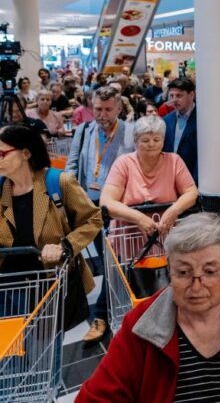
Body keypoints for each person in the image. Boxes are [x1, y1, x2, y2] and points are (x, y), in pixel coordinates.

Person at [76, 213, 220, 402]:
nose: (196, 286)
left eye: (209, 272)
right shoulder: (141, 324)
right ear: (169, 268)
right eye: (183, 272)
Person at [0, 124, 102, 331]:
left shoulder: (58, 182)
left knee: (45, 349)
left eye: (2, 153)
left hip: (49, 284)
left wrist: (65, 246)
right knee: (11, 353)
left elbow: (93, 219)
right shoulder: (1, 188)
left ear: (26, 153)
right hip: (7, 287)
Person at [65, 85, 136, 341]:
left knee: (113, 261)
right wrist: (71, 198)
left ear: (118, 108)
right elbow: (72, 165)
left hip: (120, 208)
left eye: (108, 109)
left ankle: (102, 315)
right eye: (97, 109)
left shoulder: (130, 132)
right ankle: (115, 310)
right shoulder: (84, 131)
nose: (102, 114)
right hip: (92, 208)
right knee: (110, 262)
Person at [99, 116, 198, 238]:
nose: (151, 144)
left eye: (157, 140)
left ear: (163, 140)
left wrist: (173, 210)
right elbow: (106, 202)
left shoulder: (174, 161)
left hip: (165, 236)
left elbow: (191, 193)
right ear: (135, 141)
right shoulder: (123, 163)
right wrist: (138, 218)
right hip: (128, 237)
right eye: (145, 140)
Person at [163, 77, 198, 184]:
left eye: (179, 96)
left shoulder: (202, 119)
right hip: (170, 179)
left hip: (194, 178)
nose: (174, 100)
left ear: (191, 95)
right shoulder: (167, 120)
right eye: (172, 96)